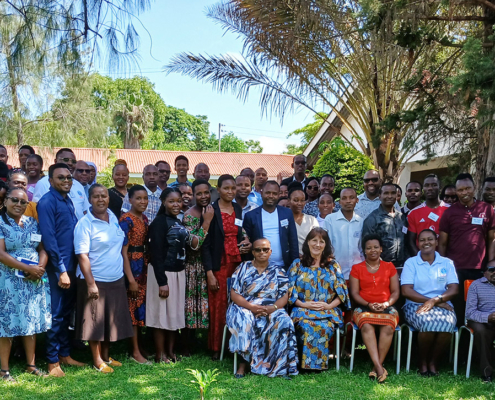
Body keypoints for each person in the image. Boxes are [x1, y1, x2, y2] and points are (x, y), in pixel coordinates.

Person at [74, 184, 133, 374]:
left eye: (104, 196)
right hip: (95, 279)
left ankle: (107, 355)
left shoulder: (113, 217)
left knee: (110, 320)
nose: (101, 200)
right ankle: (97, 359)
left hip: (115, 278)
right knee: (95, 320)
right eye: (96, 197)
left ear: (109, 198)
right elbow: (82, 255)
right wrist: (91, 284)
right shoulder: (85, 223)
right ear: (89, 200)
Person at [37, 163, 85, 377]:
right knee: (56, 315)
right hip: (58, 269)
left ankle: (65, 354)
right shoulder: (47, 202)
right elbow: (49, 240)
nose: (66, 181)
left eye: (68, 177)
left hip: (71, 266)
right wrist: (62, 270)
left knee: (66, 313)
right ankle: (52, 361)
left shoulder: (67, 200)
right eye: (61, 178)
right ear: (50, 181)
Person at [227, 238, 298, 378]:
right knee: (245, 320)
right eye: (258, 249)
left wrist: (274, 307)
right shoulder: (243, 267)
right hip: (244, 306)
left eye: (265, 249)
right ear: (253, 252)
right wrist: (251, 307)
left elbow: (285, 295)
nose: (262, 252)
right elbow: (234, 294)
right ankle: (243, 364)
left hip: (270, 307)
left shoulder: (278, 271)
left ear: (270, 252)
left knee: (284, 321)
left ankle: (279, 366)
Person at [0, 188, 51, 382]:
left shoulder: (32, 222)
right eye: (14, 200)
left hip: (32, 280)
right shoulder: (0, 222)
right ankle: (4, 369)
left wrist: (40, 267)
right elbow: (1, 253)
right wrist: (27, 268)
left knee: (31, 319)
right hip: (8, 281)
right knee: (6, 323)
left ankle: (31, 365)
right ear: (5, 201)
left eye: (23, 202)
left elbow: (42, 248)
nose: (19, 205)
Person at [148, 188, 202, 363]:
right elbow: (155, 254)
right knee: (160, 315)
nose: (176, 204)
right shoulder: (159, 223)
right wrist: (162, 282)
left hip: (179, 273)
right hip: (163, 274)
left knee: (174, 314)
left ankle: (171, 352)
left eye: (178, 201)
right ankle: (159, 353)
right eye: (171, 201)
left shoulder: (178, 221)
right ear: (164, 202)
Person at [201, 175, 251, 360]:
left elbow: (239, 231)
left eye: (233, 188)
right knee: (219, 306)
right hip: (219, 264)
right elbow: (205, 245)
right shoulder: (211, 210)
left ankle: (233, 345)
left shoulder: (237, 208)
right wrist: (210, 273)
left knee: (235, 304)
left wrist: (245, 240)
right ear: (218, 189)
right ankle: (216, 347)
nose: (230, 192)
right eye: (226, 188)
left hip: (237, 263)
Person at [288, 228, 350, 370]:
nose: (317, 244)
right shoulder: (297, 264)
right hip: (302, 308)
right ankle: (303, 364)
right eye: (314, 240)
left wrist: (328, 306)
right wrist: (304, 304)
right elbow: (289, 292)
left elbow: (342, 294)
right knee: (306, 325)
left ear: (326, 245)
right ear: (307, 243)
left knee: (324, 326)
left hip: (328, 310)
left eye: (321, 241)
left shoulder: (333, 265)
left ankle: (316, 365)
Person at [402, 229, 459, 376]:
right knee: (427, 323)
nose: (426, 242)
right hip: (415, 304)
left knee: (447, 325)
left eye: (430, 239)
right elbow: (406, 291)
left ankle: (433, 361)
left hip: (443, 304)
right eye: (422, 240)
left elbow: (454, 289)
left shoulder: (446, 263)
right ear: (418, 243)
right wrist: (432, 302)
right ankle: (422, 361)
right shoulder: (411, 263)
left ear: (437, 242)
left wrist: (435, 301)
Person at [439, 173, 495, 325]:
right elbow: (442, 244)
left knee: (479, 309)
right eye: (460, 190)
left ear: (474, 188)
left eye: (467, 188)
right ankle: (458, 345)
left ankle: (476, 347)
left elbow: (491, 239)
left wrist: (490, 264)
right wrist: (443, 267)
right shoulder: (449, 212)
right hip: (455, 270)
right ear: (456, 191)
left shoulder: (487, 209)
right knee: (458, 308)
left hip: (479, 269)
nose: (464, 193)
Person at [349, 234, 400, 382]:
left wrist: (386, 304)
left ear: (381, 249)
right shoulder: (356, 268)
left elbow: (396, 292)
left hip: (387, 306)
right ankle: (379, 367)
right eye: (369, 248)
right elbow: (354, 293)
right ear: (364, 250)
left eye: (376, 247)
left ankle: (376, 367)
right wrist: (368, 304)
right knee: (366, 325)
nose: (372, 250)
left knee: (388, 326)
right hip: (363, 307)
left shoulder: (389, 267)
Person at [182, 180, 215, 355]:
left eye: (206, 192)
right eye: (199, 193)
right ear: (194, 195)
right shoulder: (189, 215)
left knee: (202, 305)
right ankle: (186, 344)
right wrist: (206, 222)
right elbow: (194, 244)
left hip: (208, 265)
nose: (203, 196)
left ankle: (201, 341)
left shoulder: (212, 209)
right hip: (192, 266)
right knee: (190, 304)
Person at [119, 185, 151, 364]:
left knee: (140, 307)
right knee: (132, 307)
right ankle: (134, 351)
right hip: (131, 264)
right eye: (138, 198)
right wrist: (130, 278)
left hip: (143, 264)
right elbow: (122, 251)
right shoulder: (126, 220)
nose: (143, 202)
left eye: (145, 198)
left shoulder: (144, 218)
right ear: (130, 200)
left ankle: (139, 346)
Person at [244, 181, 298, 271]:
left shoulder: (287, 213)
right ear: (261, 193)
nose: (271, 196)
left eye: (274, 193)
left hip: (283, 266)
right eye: (268, 193)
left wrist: (295, 264)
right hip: (259, 268)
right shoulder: (251, 216)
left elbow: (293, 240)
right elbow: (247, 241)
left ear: (278, 195)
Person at [32, 148, 90, 220]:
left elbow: (85, 211)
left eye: (73, 161)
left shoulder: (79, 186)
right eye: (66, 160)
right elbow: (37, 211)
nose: (70, 163)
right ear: (56, 161)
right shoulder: (43, 183)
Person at [362, 183, 406, 271]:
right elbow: (367, 246)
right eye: (386, 193)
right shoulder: (372, 219)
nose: (390, 196)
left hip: (402, 266)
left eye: (393, 193)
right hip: (381, 267)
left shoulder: (402, 217)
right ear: (379, 196)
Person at [465, 259, 495, 382]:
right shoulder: (476, 285)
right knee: (481, 332)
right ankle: (487, 372)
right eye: (492, 270)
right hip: (480, 320)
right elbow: (470, 312)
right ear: (484, 272)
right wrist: (488, 317)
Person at [325, 188, 363, 280]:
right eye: (344, 198)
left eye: (351, 198)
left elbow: (362, 247)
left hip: (357, 272)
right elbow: (326, 245)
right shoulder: (330, 219)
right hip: (335, 272)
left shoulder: (360, 221)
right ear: (340, 201)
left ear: (357, 200)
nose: (348, 201)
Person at [407, 174, 450, 255]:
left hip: (446, 261)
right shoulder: (413, 213)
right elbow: (411, 242)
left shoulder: (450, 210)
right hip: (421, 261)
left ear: (440, 188)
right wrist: (420, 261)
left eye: (434, 185)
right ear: (423, 189)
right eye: (427, 185)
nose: (430, 188)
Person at [289, 187, 320, 255]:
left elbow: (317, 240)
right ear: (289, 201)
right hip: (292, 259)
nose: (299, 203)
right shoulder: (285, 221)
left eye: (302, 200)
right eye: (296, 200)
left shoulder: (312, 220)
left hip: (310, 258)